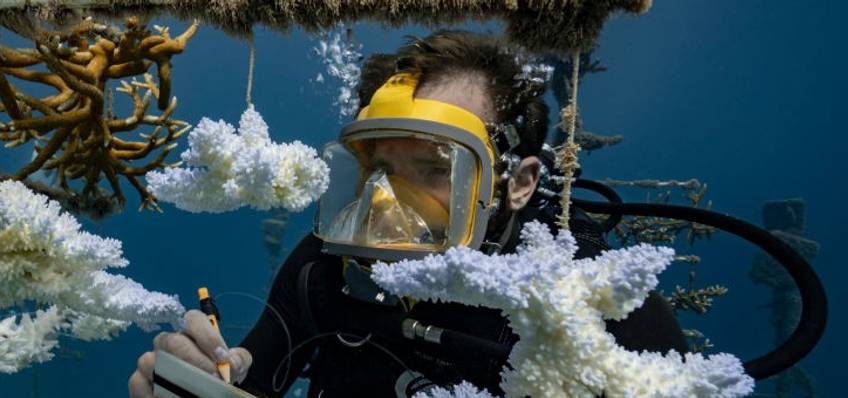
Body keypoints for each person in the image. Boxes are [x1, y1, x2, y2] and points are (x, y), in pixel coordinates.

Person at [129, 30, 687, 398]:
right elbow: (249, 377)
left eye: (434, 169)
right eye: (376, 170)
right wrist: (205, 376)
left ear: (517, 184)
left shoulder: (603, 306)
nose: (386, 203)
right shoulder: (322, 273)